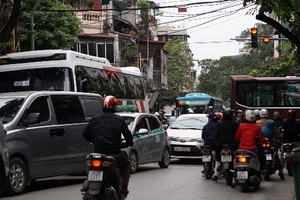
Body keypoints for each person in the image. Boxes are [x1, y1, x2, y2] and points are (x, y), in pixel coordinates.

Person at [82, 95, 134, 195]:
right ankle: (123, 187)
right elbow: (128, 136)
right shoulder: (119, 120)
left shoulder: (94, 119)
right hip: (114, 154)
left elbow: (85, 135)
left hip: (98, 153)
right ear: (114, 107)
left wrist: (95, 140)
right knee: (126, 163)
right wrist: (129, 143)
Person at [235, 109, 268, 174]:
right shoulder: (256, 127)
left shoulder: (241, 126)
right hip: (253, 150)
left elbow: (237, 138)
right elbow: (261, 139)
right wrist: (266, 141)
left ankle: (235, 175)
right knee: (262, 157)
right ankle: (262, 169)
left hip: (242, 149)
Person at [214, 109, 240, 183]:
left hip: (221, 144)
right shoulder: (235, 124)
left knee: (218, 159)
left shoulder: (220, 124)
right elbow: (238, 135)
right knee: (237, 157)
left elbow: (217, 134)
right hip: (233, 144)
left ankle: (216, 174)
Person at [202, 113, 220, 182]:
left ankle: (205, 169)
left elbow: (203, 136)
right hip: (216, 145)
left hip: (207, 145)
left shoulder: (206, 126)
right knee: (218, 158)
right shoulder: (219, 125)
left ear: (210, 119)